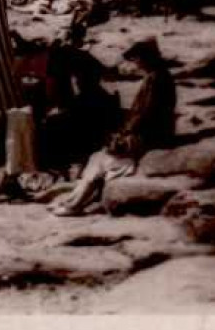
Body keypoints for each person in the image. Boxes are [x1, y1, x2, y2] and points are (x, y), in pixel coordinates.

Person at [51, 39, 177, 216]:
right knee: (98, 157)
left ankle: (75, 203)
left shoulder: (156, 80)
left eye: (136, 59)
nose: (135, 63)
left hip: (151, 135)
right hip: (151, 131)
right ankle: (73, 200)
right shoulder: (157, 77)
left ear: (145, 59)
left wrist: (125, 133)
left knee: (103, 159)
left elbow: (145, 115)